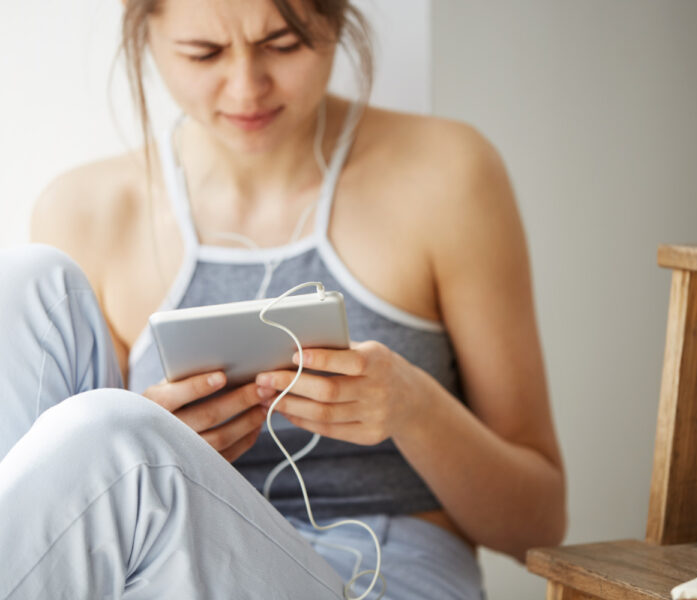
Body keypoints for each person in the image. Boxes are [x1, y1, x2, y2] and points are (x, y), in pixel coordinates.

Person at [0, 0, 566, 598]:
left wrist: (411, 409)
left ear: (336, 22)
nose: (247, 88)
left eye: (284, 44)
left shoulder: (448, 173)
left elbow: (538, 525)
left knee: (116, 438)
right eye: (205, 53)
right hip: (172, 575)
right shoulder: (88, 208)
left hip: (389, 583)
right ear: (149, 36)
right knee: (26, 282)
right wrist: (161, 435)